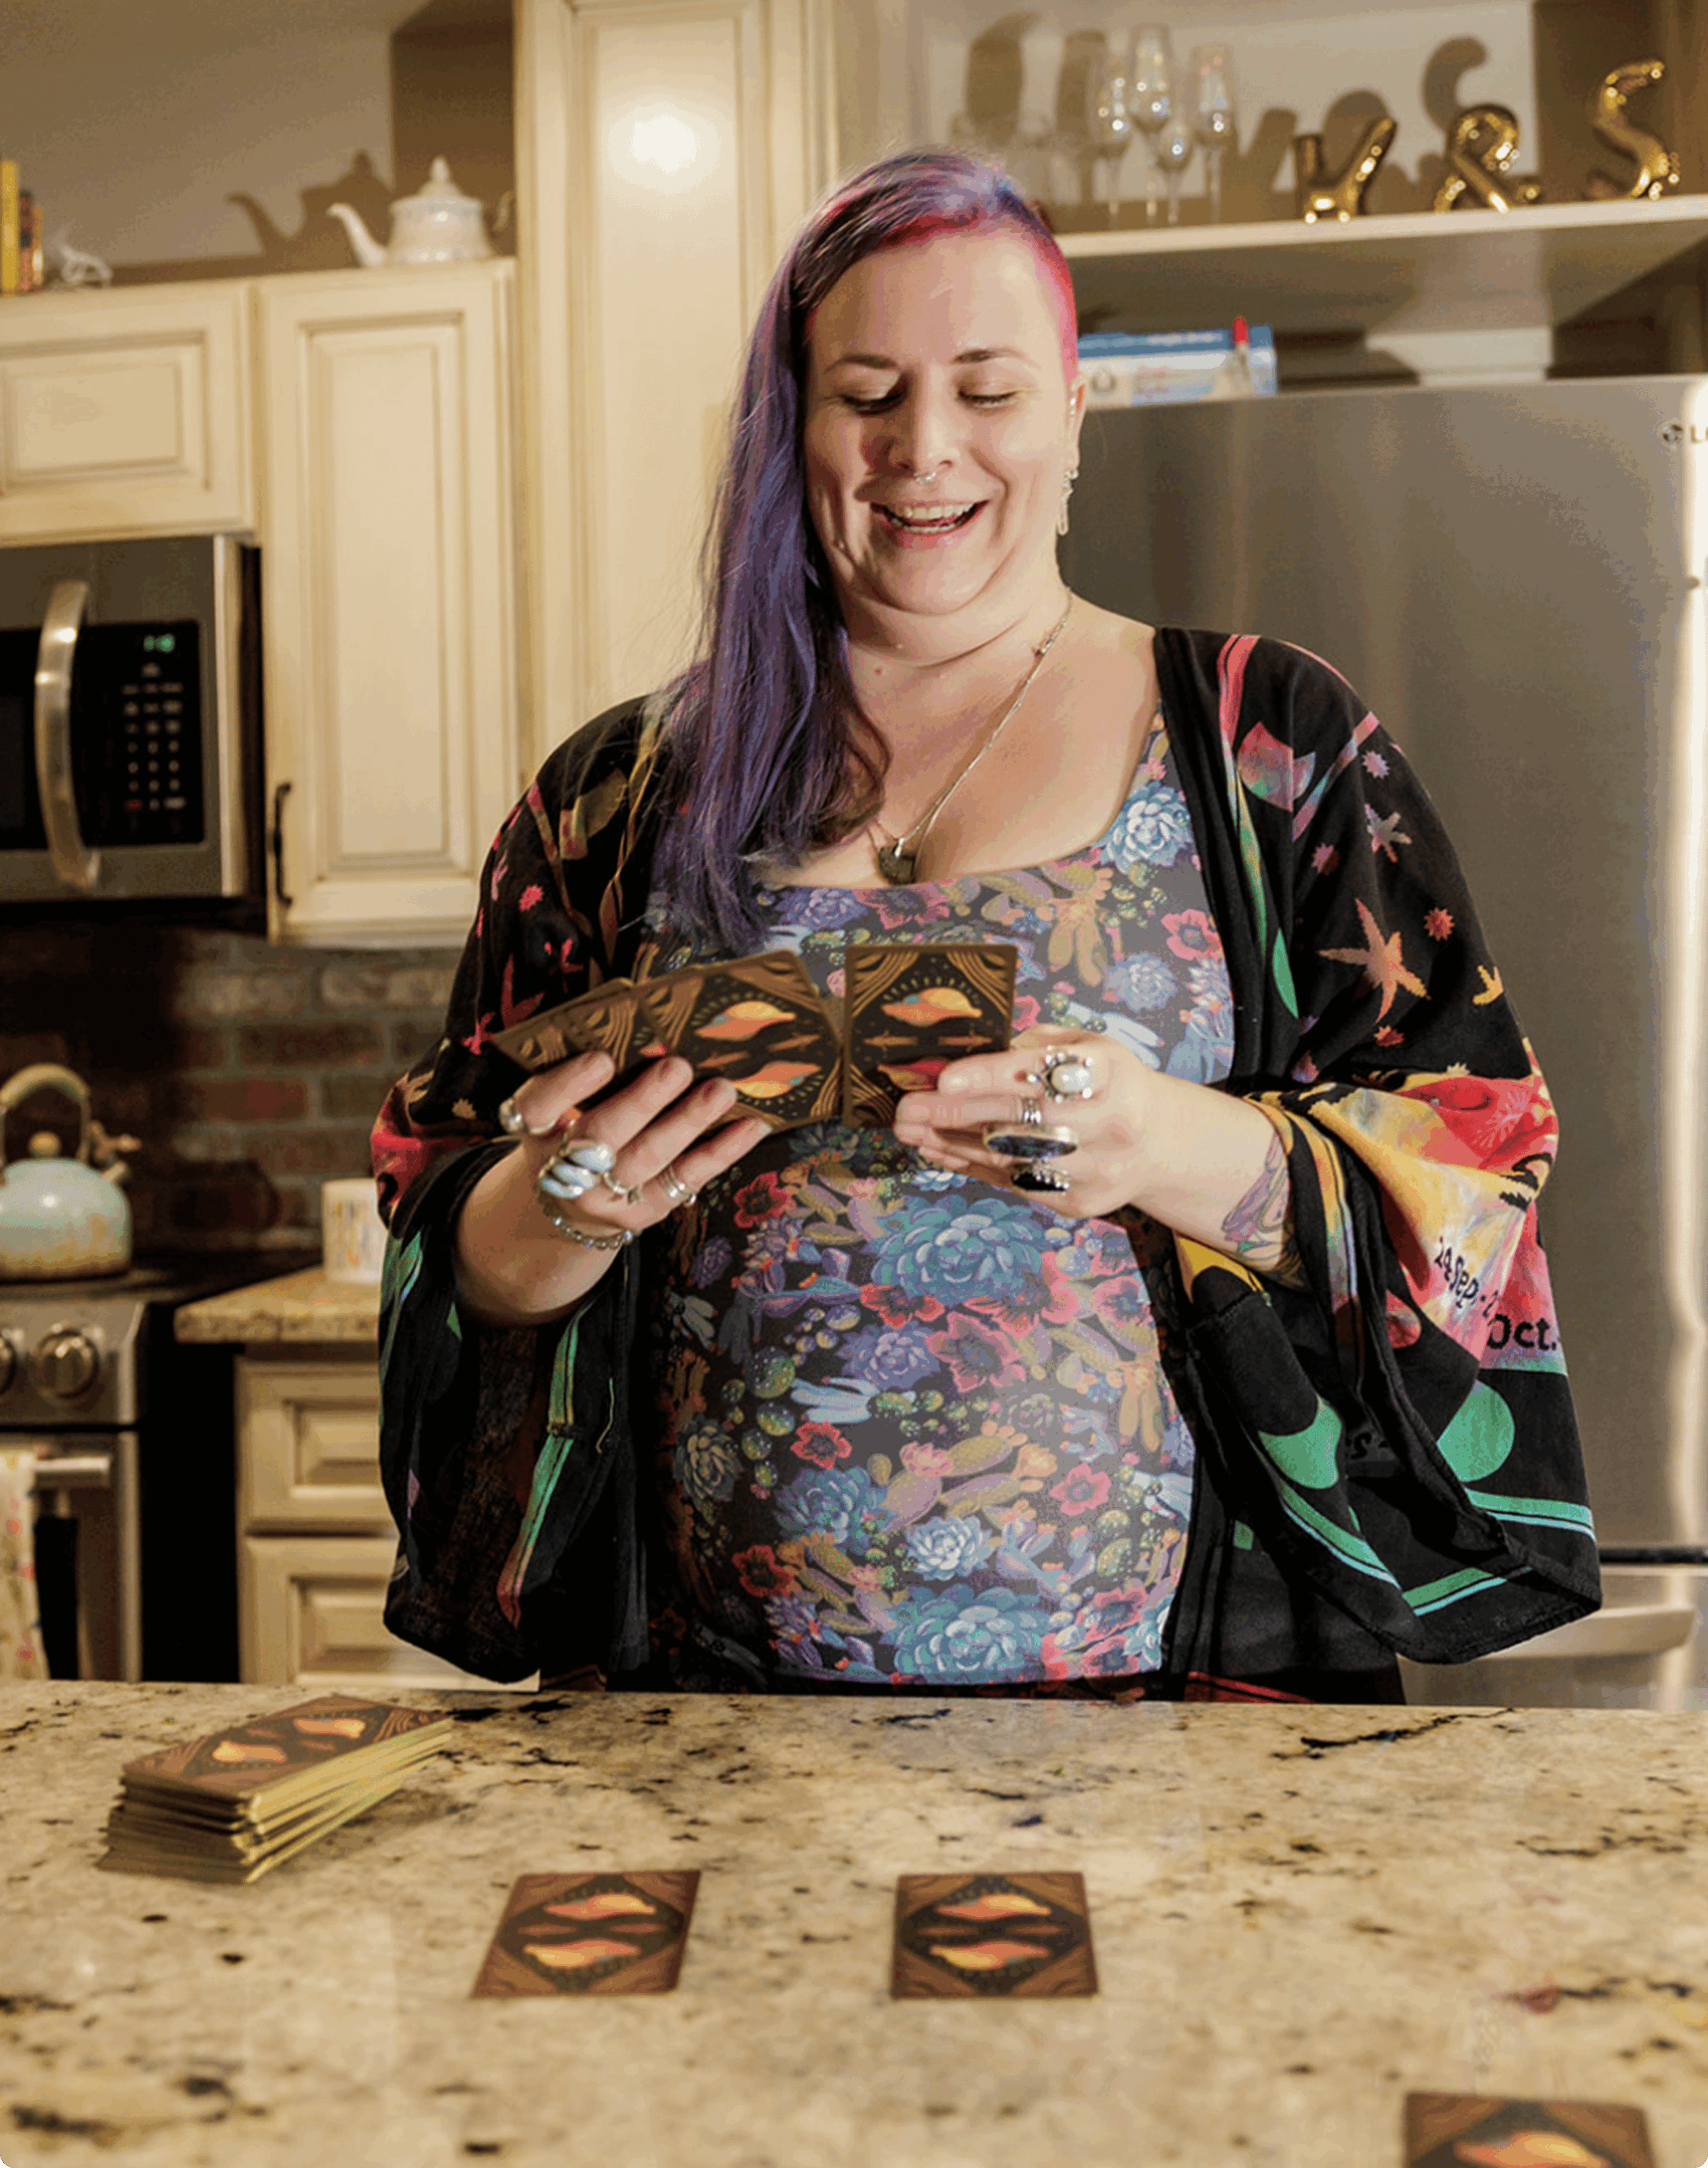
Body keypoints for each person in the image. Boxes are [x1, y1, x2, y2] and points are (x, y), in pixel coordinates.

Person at [371, 148, 1599, 1702]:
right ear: (790, 430)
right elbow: (441, 1205)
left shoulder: (1263, 742)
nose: (923, 449)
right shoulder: (616, 795)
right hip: (697, 1723)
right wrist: (559, 1217)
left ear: (1075, 412)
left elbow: (1476, 1164)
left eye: (988, 390)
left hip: (1185, 1722)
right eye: (866, 392)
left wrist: (1162, 1141)